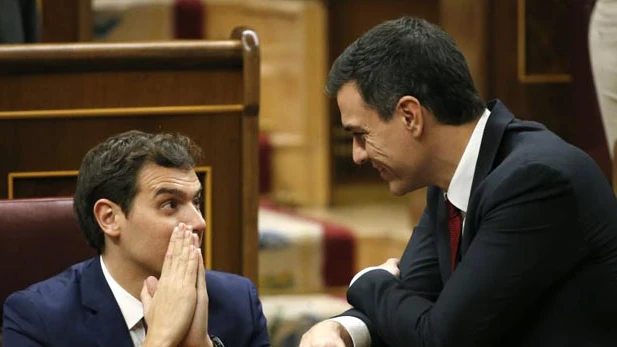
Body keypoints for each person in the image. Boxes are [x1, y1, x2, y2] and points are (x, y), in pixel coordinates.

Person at [300, 16, 617, 347]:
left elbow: (442, 339)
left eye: (360, 135)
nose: (357, 156)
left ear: (410, 115)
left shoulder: (534, 180)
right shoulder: (448, 182)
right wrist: (344, 328)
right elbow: (410, 301)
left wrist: (365, 281)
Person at [2, 131, 270, 347]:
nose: (199, 223)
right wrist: (160, 339)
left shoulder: (238, 302)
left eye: (196, 202)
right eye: (170, 204)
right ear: (109, 218)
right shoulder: (37, 319)